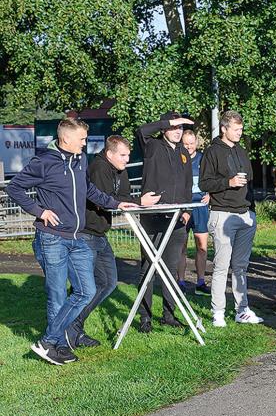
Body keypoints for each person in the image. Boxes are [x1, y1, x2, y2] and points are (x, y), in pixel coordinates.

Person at [6, 118, 137, 365]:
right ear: (66, 139)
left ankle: (49, 342)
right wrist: (39, 211)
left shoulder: (80, 160)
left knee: (86, 291)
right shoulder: (44, 161)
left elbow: (90, 191)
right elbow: (15, 188)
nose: (85, 144)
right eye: (82, 139)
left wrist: (117, 203)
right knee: (56, 294)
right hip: (52, 238)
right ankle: (58, 346)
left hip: (78, 238)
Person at [68, 135, 160, 348]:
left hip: (99, 233)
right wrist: (138, 202)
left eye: (128, 155)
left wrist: (140, 202)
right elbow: (105, 201)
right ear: (109, 154)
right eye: (123, 155)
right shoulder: (99, 168)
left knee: (108, 282)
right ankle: (69, 330)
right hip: (85, 233)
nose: (127, 159)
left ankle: (74, 328)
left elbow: (123, 198)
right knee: (85, 288)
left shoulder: (120, 169)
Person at [198, 110, 262, 326]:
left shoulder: (241, 151)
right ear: (224, 128)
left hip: (245, 215)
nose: (239, 133)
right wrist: (229, 182)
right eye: (236, 129)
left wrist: (252, 212)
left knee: (241, 266)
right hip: (222, 214)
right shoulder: (212, 152)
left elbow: (250, 183)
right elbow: (204, 184)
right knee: (221, 266)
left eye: (241, 129)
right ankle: (217, 312)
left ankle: (242, 309)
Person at [135, 111, 195, 333]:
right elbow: (141, 131)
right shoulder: (152, 147)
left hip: (177, 220)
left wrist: (187, 210)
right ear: (164, 128)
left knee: (170, 269)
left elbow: (187, 185)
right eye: (174, 127)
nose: (178, 131)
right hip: (153, 217)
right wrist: (168, 122)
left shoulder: (183, 153)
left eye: (181, 128)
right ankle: (145, 318)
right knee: (148, 268)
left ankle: (169, 315)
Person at [177, 129, 210, 294]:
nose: (189, 146)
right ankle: (181, 282)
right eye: (185, 144)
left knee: (201, 246)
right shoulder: (178, 159)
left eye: (191, 143)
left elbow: (212, 179)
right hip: (183, 207)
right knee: (181, 246)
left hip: (201, 207)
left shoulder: (204, 159)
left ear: (196, 143)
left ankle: (201, 282)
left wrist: (210, 194)